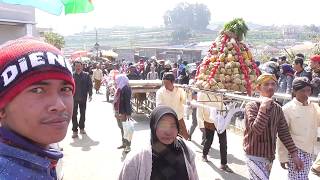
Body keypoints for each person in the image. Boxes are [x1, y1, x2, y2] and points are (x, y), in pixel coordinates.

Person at [0, 38, 75, 178]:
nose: (60, 106)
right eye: (38, 90)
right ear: (2, 108)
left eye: (65, 89)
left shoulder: (42, 159)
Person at [243, 73, 303, 180]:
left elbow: (284, 133)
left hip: (269, 156)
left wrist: (294, 155)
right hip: (254, 154)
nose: (270, 87)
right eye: (266, 84)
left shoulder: (277, 108)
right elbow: (256, 130)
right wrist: (263, 109)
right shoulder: (251, 106)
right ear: (258, 88)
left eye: (273, 84)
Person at [119, 106, 198, 180]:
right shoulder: (135, 160)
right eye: (163, 126)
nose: (168, 132)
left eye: (173, 126)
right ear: (153, 127)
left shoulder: (186, 152)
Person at [277, 77, 320, 179]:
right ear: (295, 91)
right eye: (302, 91)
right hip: (295, 151)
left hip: (309, 150)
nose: (306, 94)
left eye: (308, 90)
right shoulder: (287, 109)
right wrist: (282, 157)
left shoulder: (314, 107)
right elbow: (282, 135)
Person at [196, 92, 233, 173]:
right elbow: (199, 108)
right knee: (209, 140)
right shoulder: (203, 93)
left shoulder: (220, 89)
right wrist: (201, 124)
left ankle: (223, 164)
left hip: (220, 119)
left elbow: (223, 103)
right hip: (209, 119)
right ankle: (204, 154)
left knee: (223, 142)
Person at [156, 72, 189, 139]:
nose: (165, 85)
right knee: (168, 139)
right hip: (167, 120)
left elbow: (185, 101)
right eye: (164, 83)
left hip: (179, 118)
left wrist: (187, 91)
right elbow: (159, 107)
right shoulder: (160, 92)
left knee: (184, 138)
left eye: (167, 83)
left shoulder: (179, 90)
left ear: (173, 82)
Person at [72, 61, 93, 138]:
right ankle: (74, 130)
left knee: (83, 113)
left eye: (79, 66)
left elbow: (90, 85)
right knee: (74, 114)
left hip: (83, 97)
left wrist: (90, 94)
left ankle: (82, 128)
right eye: (76, 66)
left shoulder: (86, 75)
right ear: (74, 67)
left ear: (82, 66)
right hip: (73, 97)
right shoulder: (71, 75)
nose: (78, 67)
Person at [114, 74, 132, 153]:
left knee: (126, 129)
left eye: (117, 80)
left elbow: (127, 102)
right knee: (122, 128)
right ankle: (124, 143)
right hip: (119, 111)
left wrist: (128, 114)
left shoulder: (126, 88)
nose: (116, 81)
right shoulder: (120, 88)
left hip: (124, 112)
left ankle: (128, 145)